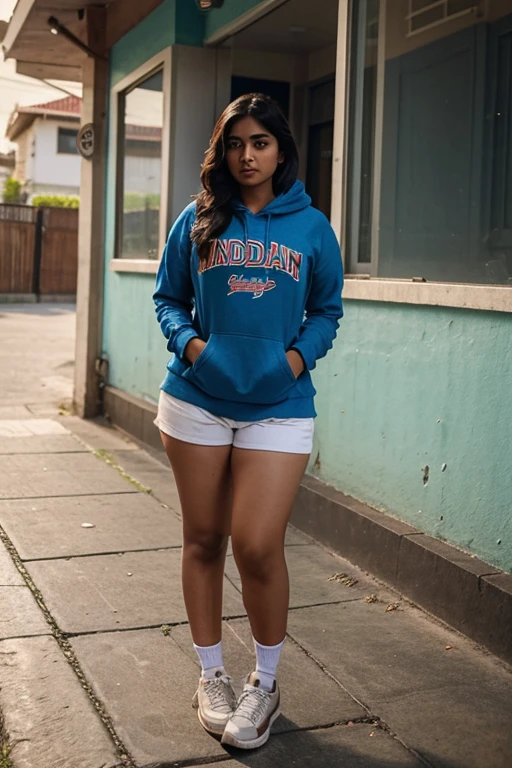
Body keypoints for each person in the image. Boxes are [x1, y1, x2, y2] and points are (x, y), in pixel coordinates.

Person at [153, 93, 343, 750]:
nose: (247, 156)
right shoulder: (198, 217)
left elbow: (326, 311)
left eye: (260, 143)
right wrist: (194, 347)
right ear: (222, 151)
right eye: (235, 144)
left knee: (257, 546)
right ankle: (212, 675)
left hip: (279, 407)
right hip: (196, 400)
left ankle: (265, 683)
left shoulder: (312, 227)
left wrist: (293, 362)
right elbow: (169, 298)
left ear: (282, 150)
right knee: (203, 539)